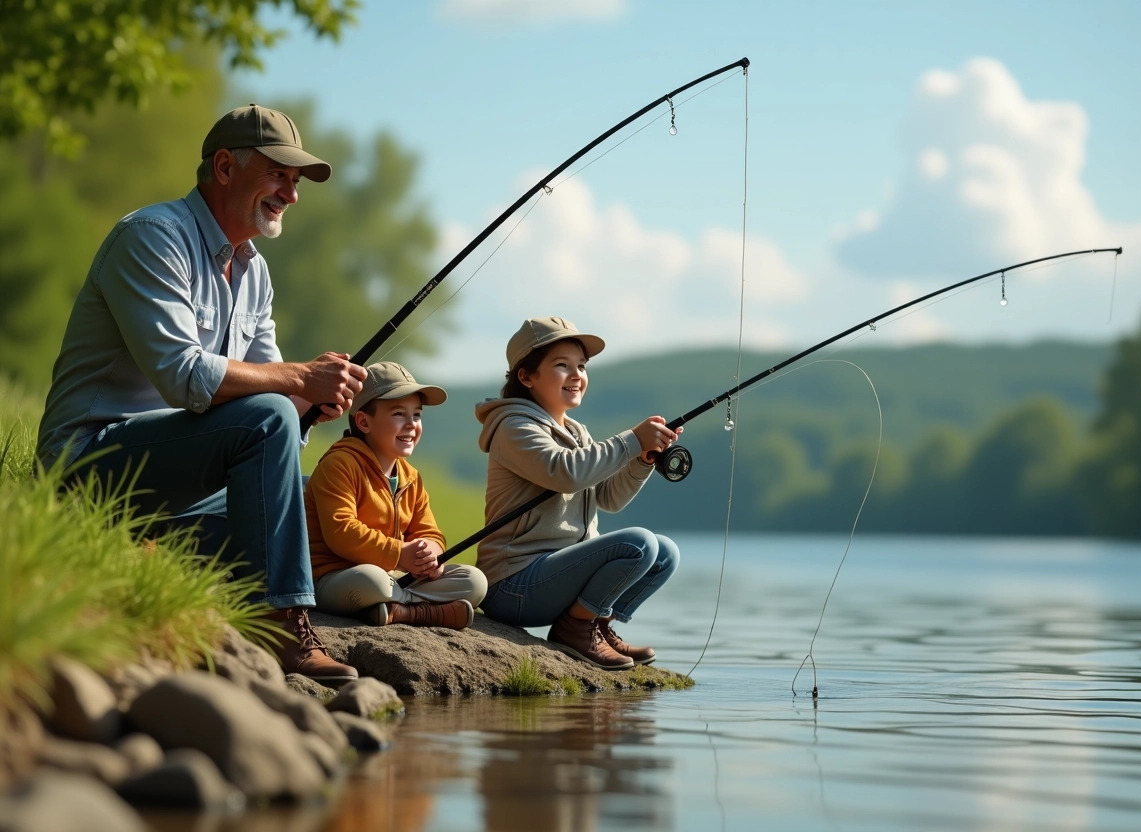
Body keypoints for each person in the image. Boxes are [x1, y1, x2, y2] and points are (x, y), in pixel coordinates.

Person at [35, 104, 365, 684]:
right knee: (268, 420)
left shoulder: (255, 271)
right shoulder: (152, 236)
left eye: (295, 182)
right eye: (278, 175)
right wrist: (295, 379)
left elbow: (267, 402)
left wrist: (311, 400)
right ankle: (282, 625)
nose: (290, 194)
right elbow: (183, 375)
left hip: (171, 481)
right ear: (223, 167)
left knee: (306, 499)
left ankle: (153, 549)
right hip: (87, 465)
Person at [474, 316, 681, 670]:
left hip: (554, 578)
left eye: (581, 366)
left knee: (665, 553)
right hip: (513, 587)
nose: (576, 375)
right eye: (562, 365)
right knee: (639, 543)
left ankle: (595, 624)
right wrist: (631, 441)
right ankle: (576, 628)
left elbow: (609, 498)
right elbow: (566, 473)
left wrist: (641, 460)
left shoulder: (577, 432)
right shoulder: (514, 427)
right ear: (527, 377)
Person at [305, 361, 488, 628]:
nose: (411, 425)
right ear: (364, 422)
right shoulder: (339, 464)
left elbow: (430, 533)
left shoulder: (410, 476)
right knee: (372, 582)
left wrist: (429, 557)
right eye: (399, 414)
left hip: (394, 576)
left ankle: (395, 610)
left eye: (417, 415)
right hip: (335, 577)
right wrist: (400, 554)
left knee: (474, 581)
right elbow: (341, 532)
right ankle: (425, 612)